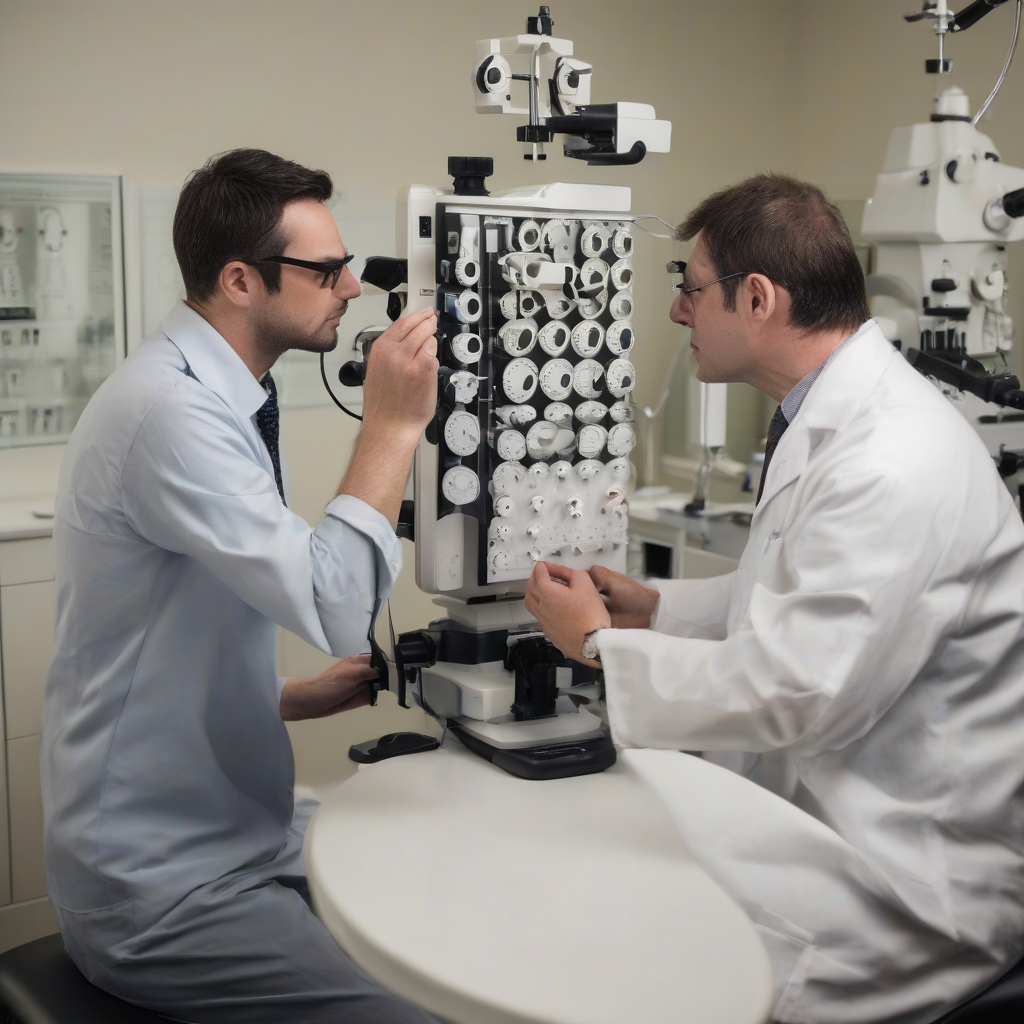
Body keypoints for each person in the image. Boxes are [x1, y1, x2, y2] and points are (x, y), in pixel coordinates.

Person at [525, 173, 1024, 1024]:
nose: (678, 311)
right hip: (838, 802)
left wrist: (598, 648)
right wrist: (657, 611)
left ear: (756, 299)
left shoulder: (889, 458)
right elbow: (798, 586)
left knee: (590, 906)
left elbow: (797, 688)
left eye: (689, 289)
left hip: (905, 880)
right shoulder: (830, 417)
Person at [41, 149, 439, 1023]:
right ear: (239, 280)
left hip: (243, 827)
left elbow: (160, 629)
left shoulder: (222, 395)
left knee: (445, 908)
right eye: (326, 271)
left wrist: (281, 698)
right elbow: (338, 608)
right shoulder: (170, 413)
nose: (351, 287)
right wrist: (392, 426)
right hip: (161, 882)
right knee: (421, 1010)